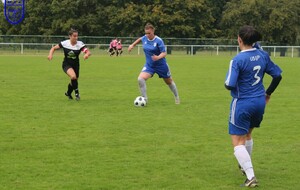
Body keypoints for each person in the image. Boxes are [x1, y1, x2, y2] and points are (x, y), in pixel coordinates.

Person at [224, 25, 282, 187]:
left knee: (237, 141)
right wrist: (268, 93)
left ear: (239, 39)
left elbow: (229, 84)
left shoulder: (237, 60)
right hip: (259, 102)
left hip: (243, 102)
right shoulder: (262, 55)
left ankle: (251, 177)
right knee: (247, 135)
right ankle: (245, 166)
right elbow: (277, 76)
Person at [128, 23, 180, 104]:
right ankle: (144, 99)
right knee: (140, 79)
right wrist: (132, 45)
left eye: (149, 33)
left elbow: (164, 53)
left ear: (153, 31)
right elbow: (140, 39)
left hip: (161, 65)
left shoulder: (158, 40)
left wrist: (158, 57)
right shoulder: (145, 38)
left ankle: (176, 97)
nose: (147, 35)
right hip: (149, 66)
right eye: (146, 33)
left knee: (169, 81)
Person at [47, 28, 91, 100]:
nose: (76, 38)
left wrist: (86, 55)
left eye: (77, 36)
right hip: (66, 64)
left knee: (73, 80)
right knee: (73, 76)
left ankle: (68, 93)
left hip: (76, 65)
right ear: (70, 36)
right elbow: (53, 48)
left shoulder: (80, 44)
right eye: (74, 36)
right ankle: (77, 93)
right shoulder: (64, 43)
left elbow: (88, 52)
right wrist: (50, 55)